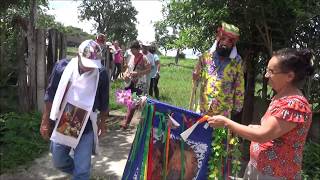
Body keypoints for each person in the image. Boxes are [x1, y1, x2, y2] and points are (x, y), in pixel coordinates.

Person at [208, 48, 314, 179]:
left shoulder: (294, 105)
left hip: (275, 175)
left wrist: (226, 122)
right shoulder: (281, 97)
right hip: (260, 169)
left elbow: (262, 136)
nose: (266, 75)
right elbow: (277, 133)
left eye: (271, 71)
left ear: (289, 76)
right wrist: (259, 128)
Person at [40, 39, 109, 180]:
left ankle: (81, 175)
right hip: (64, 120)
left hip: (87, 124)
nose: (89, 68)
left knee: (83, 171)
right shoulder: (62, 68)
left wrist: (102, 123)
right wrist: (45, 121)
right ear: (78, 56)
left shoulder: (101, 74)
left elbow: (104, 102)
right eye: (86, 64)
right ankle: (79, 174)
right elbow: (50, 96)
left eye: (92, 65)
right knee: (58, 161)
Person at [192, 22, 245, 177]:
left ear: (233, 43)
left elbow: (240, 85)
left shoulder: (237, 61)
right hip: (203, 111)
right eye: (224, 39)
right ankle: (196, 174)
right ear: (218, 38)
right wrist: (195, 76)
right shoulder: (205, 56)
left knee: (219, 148)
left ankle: (214, 175)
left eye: (230, 41)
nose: (226, 43)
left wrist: (237, 106)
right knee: (199, 144)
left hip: (223, 114)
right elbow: (196, 74)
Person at [120, 40, 151, 129]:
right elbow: (128, 69)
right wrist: (125, 74)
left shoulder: (144, 58)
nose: (133, 52)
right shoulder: (131, 57)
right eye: (132, 50)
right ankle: (129, 119)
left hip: (139, 84)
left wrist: (138, 73)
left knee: (132, 103)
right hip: (129, 82)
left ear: (138, 49)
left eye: (134, 50)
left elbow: (149, 70)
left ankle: (126, 123)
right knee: (128, 102)